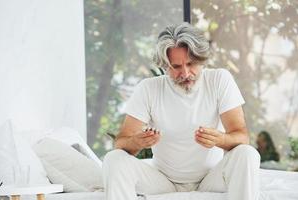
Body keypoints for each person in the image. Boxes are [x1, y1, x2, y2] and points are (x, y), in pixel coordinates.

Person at [102, 23, 260, 200]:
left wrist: (221, 139)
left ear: (201, 59)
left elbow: (241, 137)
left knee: (248, 154)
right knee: (113, 159)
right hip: (163, 181)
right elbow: (121, 143)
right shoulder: (149, 88)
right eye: (176, 67)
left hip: (211, 178)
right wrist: (137, 142)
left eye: (191, 64)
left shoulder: (219, 80)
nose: (185, 73)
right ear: (165, 66)